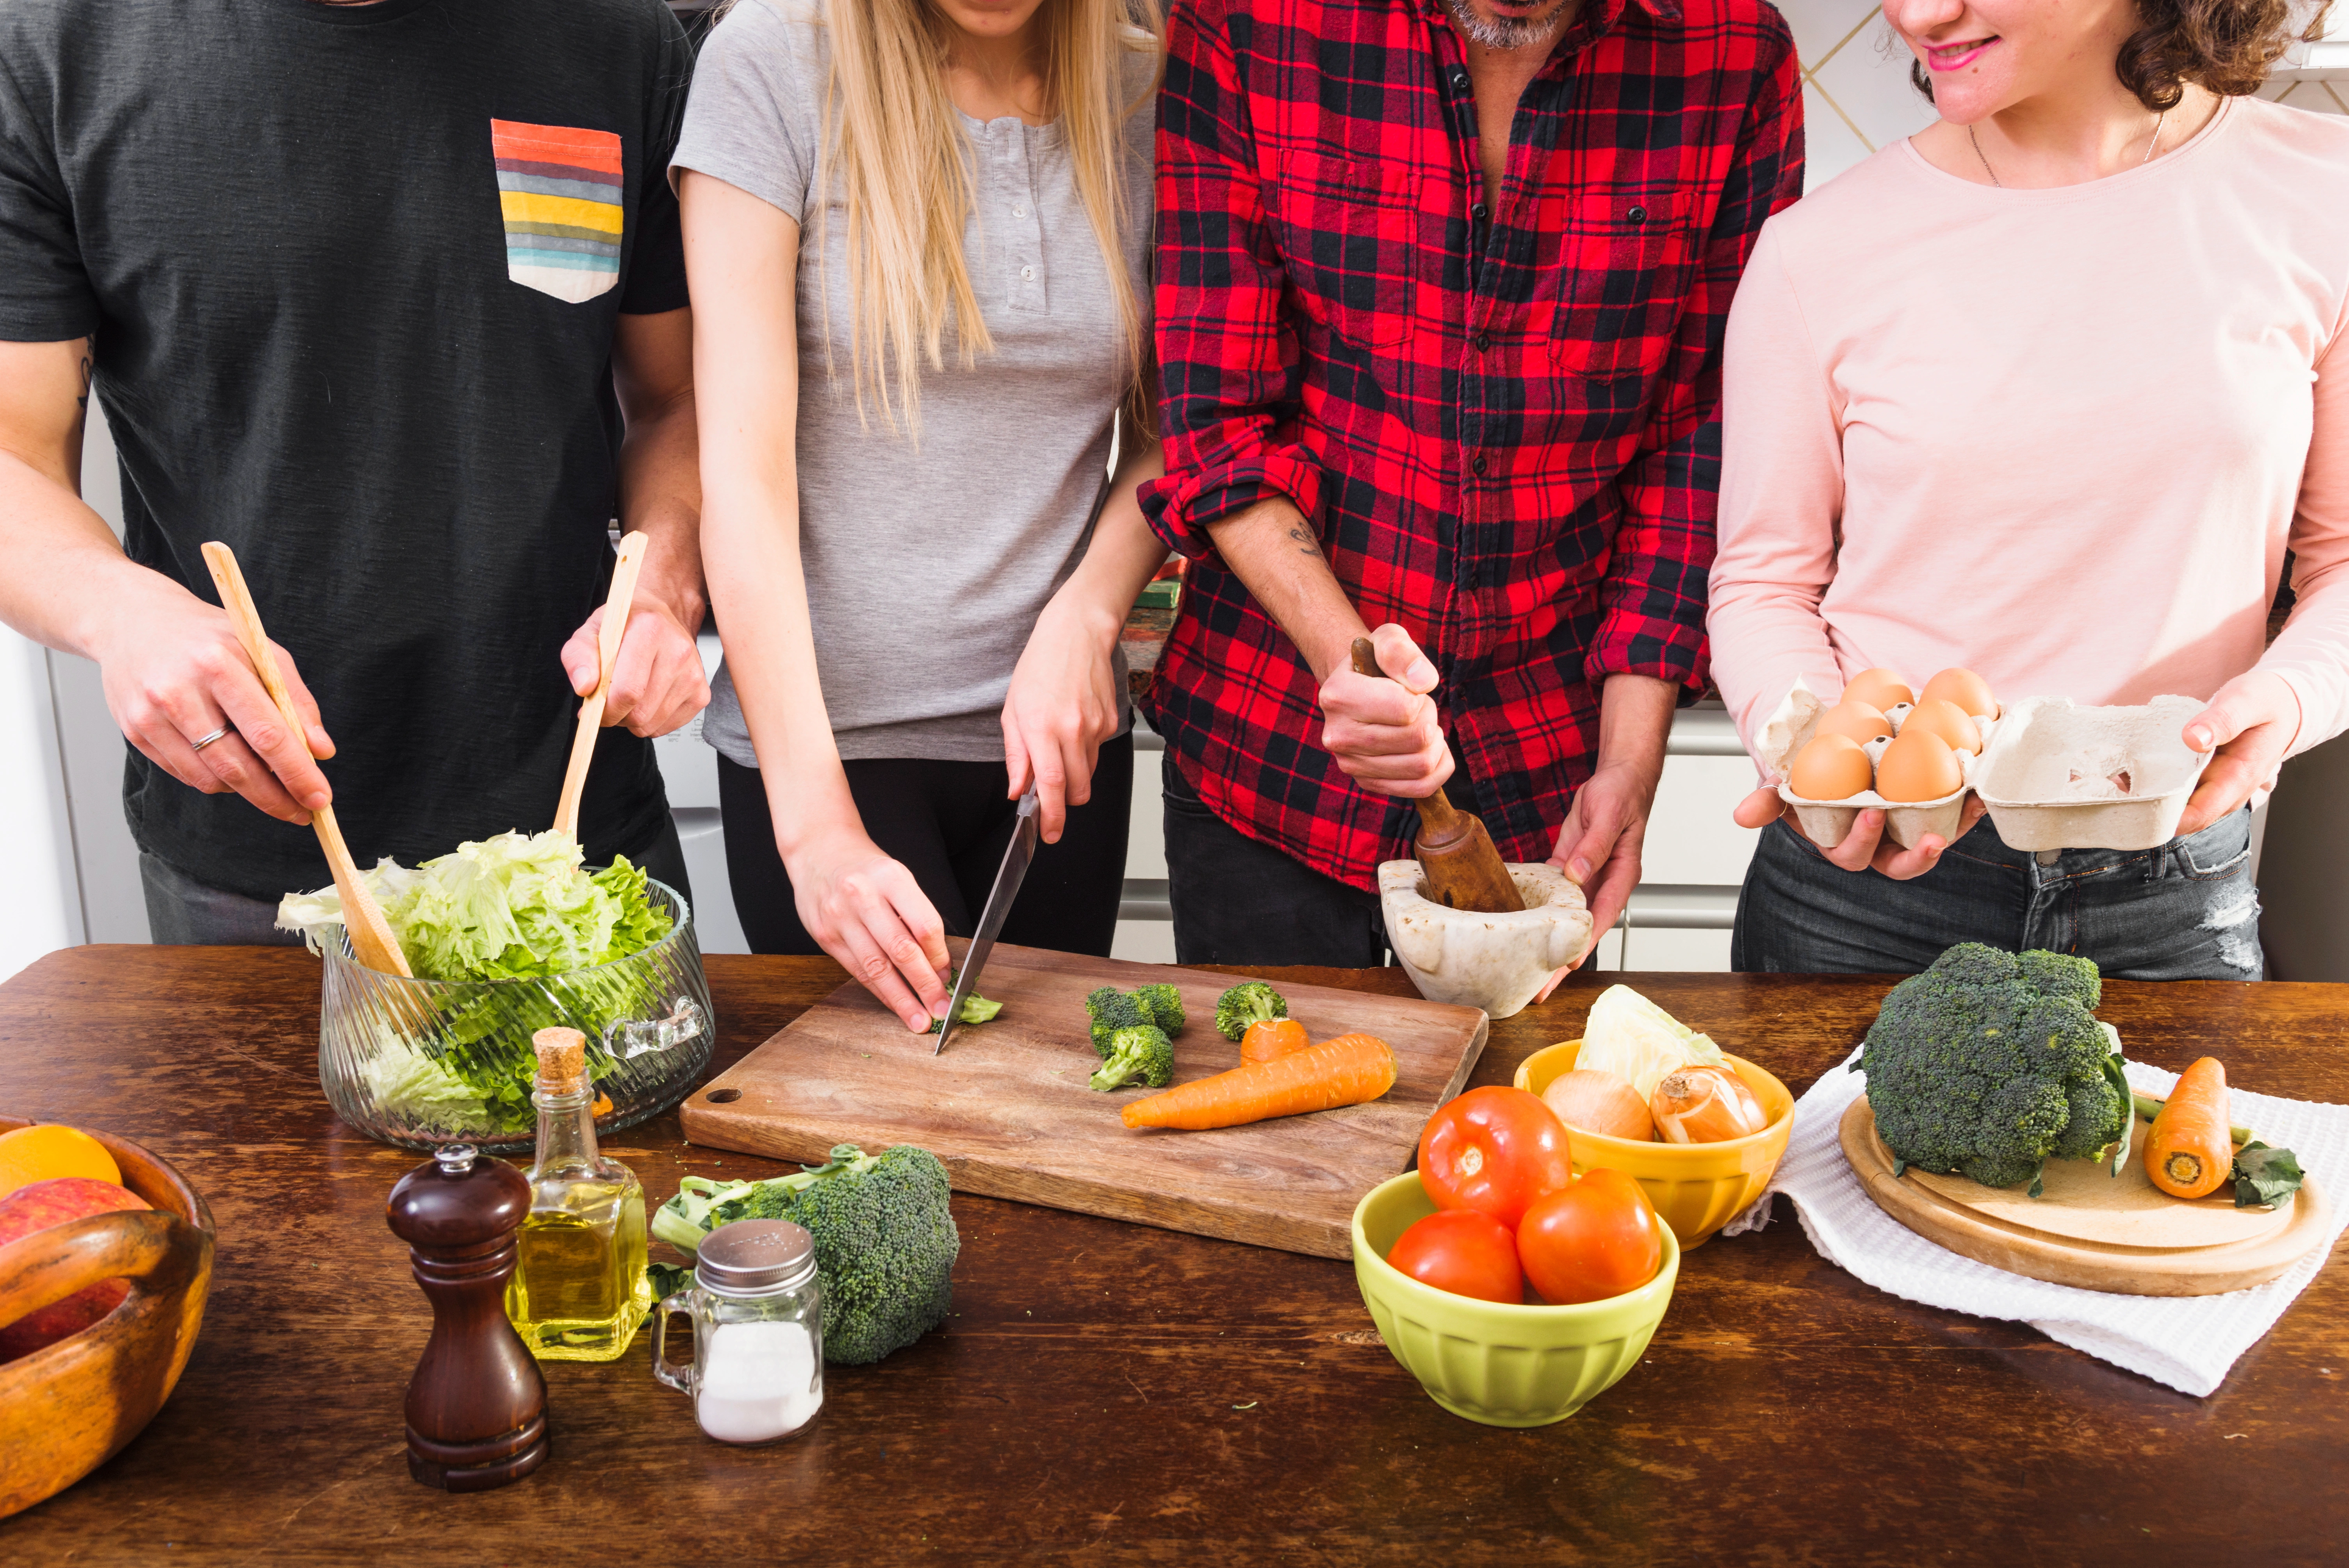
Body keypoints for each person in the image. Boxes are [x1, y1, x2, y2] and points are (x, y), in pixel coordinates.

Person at [0, 0, 713, 944]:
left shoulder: (616, 38)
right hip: (252, 861)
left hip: (575, 831)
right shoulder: (54, 48)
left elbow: (677, 399)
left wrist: (661, 591)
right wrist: (120, 611)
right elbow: (13, 451)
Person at [1140, 0, 1803, 969]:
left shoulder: (1732, 53)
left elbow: (1695, 447)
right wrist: (1349, 664)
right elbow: (1220, 417)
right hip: (1270, 751)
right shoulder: (1247, 19)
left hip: (1548, 776)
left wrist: (1628, 762)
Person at [1709, 0, 2348, 978]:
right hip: (1863, 895)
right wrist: (1813, 758)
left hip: (2170, 881)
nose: (1918, 14)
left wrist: (2288, 700)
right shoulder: (1816, 249)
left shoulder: (2320, 193)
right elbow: (1762, 581)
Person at [677, 0, 1168, 1031]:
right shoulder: (768, 65)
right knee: (879, 1124)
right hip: (827, 754)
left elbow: (1180, 427)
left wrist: (1088, 614)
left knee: (1041, 1113)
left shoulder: (1151, 90)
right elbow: (743, 476)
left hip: (1060, 750)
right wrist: (816, 833)